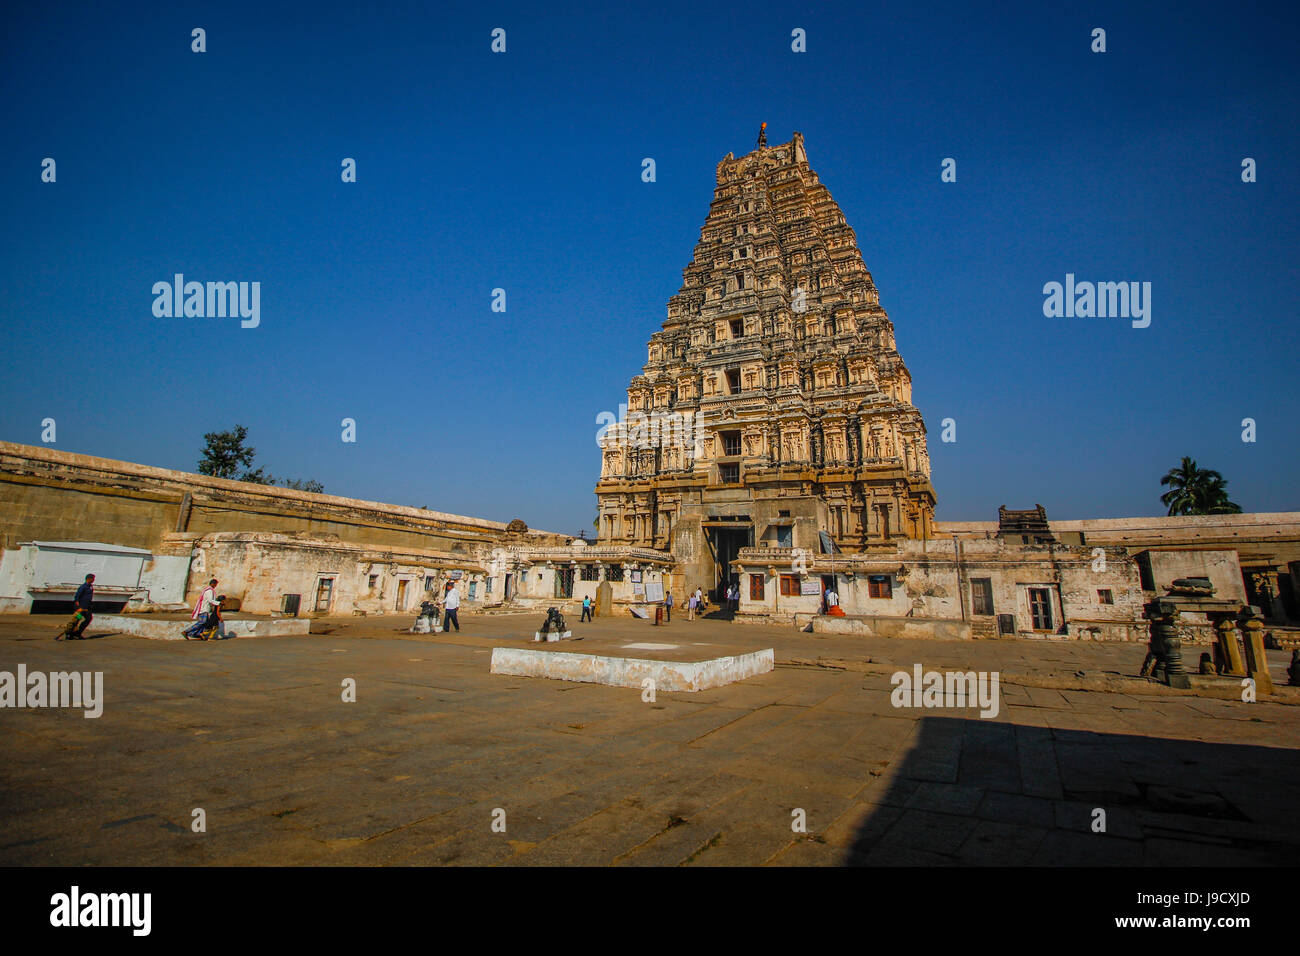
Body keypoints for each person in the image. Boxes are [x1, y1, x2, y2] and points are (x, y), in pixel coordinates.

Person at [70, 573, 95, 639]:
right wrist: (78, 608)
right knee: (76, 620)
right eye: (93, 579)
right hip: (81, 609)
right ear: (89, 579)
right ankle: (70, 633)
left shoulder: (90, 586)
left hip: (87, 608)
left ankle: (78, 633)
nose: (93, 580)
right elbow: (77, 598)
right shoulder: (83, 587)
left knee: (89, 618)